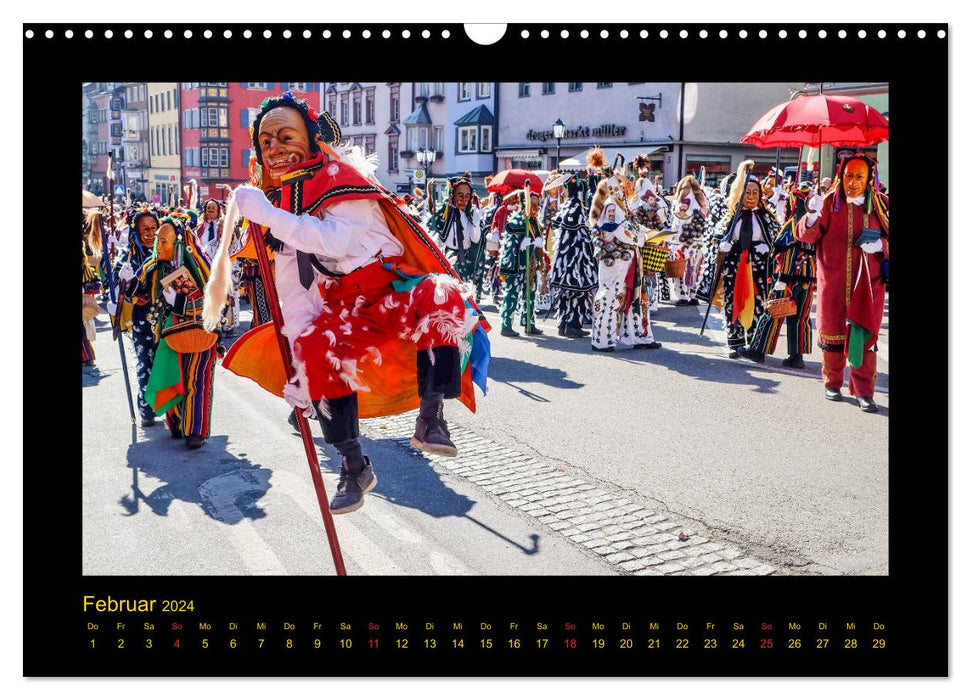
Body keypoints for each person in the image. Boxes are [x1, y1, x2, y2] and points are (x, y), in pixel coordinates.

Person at [210, 92, 490, 514]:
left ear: (310, 138)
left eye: (286, 136)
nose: (275, 149)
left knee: (442, 293)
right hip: (348, 307)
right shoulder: (281, 203)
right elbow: (295, 292)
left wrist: (270, 215)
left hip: (393, 290)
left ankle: (430, 418)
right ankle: (354, 465)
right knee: (314, 346)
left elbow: (336, 238)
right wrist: (304, 368)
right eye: (266, 142)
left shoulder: (342, 177)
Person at [796, 154, 888, 412]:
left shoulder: (881, 205)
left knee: (864, 337)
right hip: (833, 284)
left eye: (859, 176)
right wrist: (811, 215)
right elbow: (805, 235)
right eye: (849, 176)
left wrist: (881, 245)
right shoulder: (827, 203)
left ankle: (864, 391)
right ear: (841, 176)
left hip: (869, 285)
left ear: (869, 179)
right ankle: (832, 382)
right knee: (832, 336)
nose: (853, 182)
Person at [129, 215, 217, 448]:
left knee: (196, 381)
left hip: (199, 335)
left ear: (176, 243)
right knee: (174, 377)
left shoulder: (198, 266)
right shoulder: (153, 267)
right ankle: (178, 424)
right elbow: (142, 295)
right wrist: (128, 283)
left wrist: (180, 303)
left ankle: (195, 430)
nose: (158, 246)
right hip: (169, 335)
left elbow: (215, 302)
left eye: (163, 242)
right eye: (158, 241)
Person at [742, 183, 817, 368]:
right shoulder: (815, 226)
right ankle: (796, 356)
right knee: (800, 318)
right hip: (808, 280)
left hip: (788, 278)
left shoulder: (794, 225)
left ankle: (758, 350)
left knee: (772, 312)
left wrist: (782, 279)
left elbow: (790, 252)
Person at [587, 163, 660, 352]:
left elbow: (630, 226)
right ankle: (602, 340)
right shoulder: (611, 207)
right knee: (610, 299)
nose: (623, 190)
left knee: (633, 298)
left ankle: (638, 336)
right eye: (620, 186)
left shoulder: (622, 205)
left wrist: (647, 232)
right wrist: (642, 237)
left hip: (628, 261)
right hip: (615, 263)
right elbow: (621, 231)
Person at [711, 161, 780, 357]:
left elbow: (777, 238)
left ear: (760, 196)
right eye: (747, 193)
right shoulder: (732, 216)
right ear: (740, 194)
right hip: (734, 266)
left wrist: (768, 246)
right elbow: (718, 236)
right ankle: (735, 342)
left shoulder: (767, 216)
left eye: (755, 193)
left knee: (758, 304)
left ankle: (755, 344)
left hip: (759, 268)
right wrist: (722, 244)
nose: (751, 197)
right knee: (732, 304)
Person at [115, 208, 163, 426]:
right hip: (142, 316)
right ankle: (146, 409)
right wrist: (121, 278)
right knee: (145, 363)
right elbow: (116, 278)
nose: (151, 233)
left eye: (154, 228)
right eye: (146, 228)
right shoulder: (129, 254)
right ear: (136, 230)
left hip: (166, 314)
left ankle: (171, 409)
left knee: (168, 360)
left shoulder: (166, 249)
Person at [548, 172, 597, 338]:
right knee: (578, 293)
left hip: (564, 260)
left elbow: (556, 223)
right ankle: (572, 325)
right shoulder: (576, 205)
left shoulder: (566, 205)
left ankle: (564, 325)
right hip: (576, 260)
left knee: (567, 294)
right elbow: (573, 225)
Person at [427, 174, 486, 300]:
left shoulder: (471, 214)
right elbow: (431, 230)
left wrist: (476, 224)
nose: (464, 199)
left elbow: (476, 241)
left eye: (467, 196)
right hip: (447, 261)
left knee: (465, 301)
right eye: (460, 195)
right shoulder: (444, 212)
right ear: (452, 195)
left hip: (466, 262)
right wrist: (430, 196)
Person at [498, 185, 543, 337]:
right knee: (512, 294)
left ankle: (529, 323)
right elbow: (509, 245)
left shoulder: (534, 221)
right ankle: (506, 325)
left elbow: (537, 239)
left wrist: (537, 245)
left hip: (530, 266)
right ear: (526, 204)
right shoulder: (517, 220)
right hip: (516, 267)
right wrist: (521, 244)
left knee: (530, 293)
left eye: (538, 204)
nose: (536, 207)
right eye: (533, 204)